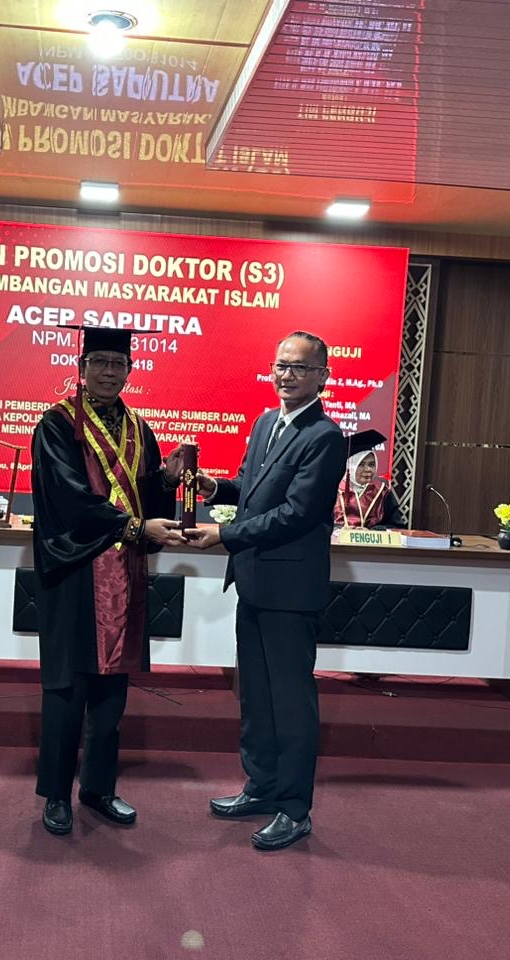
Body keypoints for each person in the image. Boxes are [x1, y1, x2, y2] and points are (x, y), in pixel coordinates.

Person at [185, 331, 346, 851]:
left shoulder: (325, 436)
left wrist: (225, 534)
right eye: (280, 365)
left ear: (322, 377)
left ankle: (295, 809)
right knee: (255, 697)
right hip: (254, 582)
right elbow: (251, 491)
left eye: (299, 368)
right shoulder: (263, 424)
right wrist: (216, 489)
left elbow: (296, 513)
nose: (286, 375)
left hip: (290, 591)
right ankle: (261, 786)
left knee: (291, 703)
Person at [30, 326, 186, 837]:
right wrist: (135, 527)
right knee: (67, 689)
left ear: (130, 371)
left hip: (123, 575)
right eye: (99, 362)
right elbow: (68, 497)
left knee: (112, 691)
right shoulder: (56, 425)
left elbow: (145, 496)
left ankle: (97, 788)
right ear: (81, 368)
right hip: (75, 571)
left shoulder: (140, 429)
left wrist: (165, 481)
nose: (109, 372)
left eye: (118, 364)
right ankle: (57, 794)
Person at [333, 428, 404, 528]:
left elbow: (396, 526)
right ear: (349, 467)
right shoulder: (332, 490)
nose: (368, 469)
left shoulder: (382, 492)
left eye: (371, 464)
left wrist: (373, 532)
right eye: (361, 464)